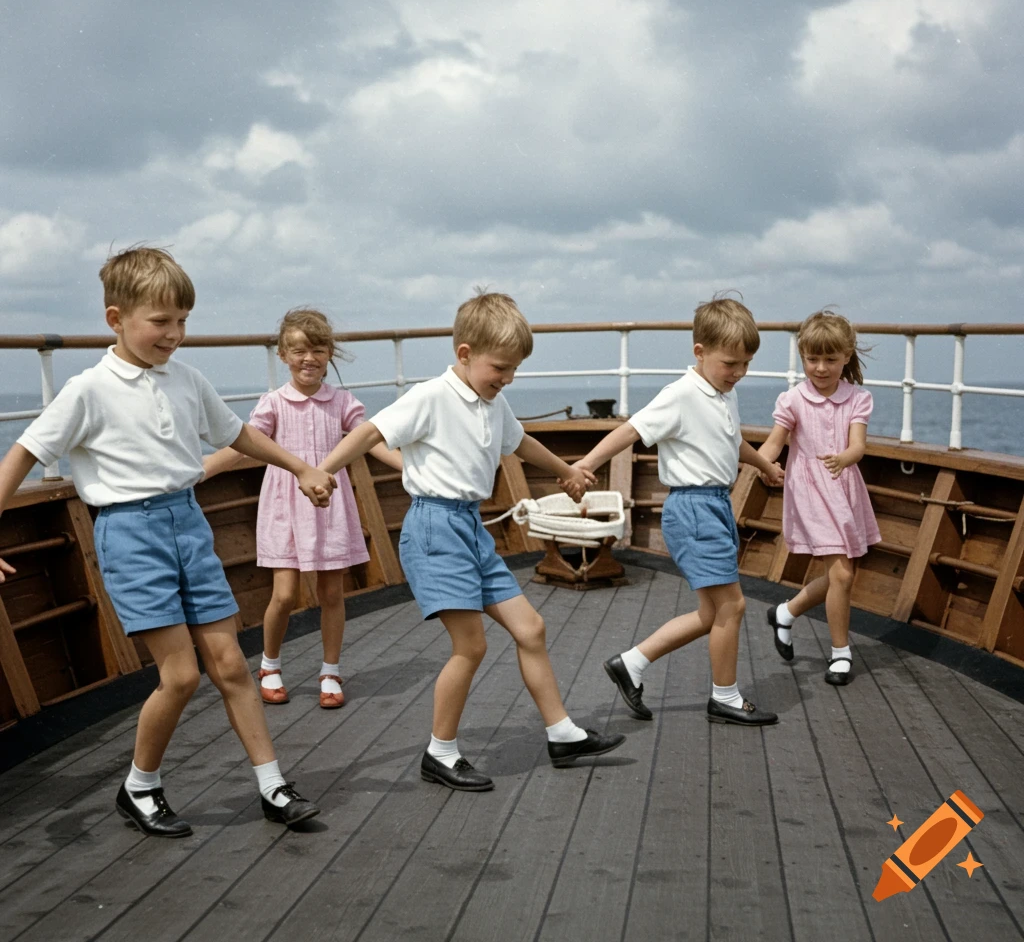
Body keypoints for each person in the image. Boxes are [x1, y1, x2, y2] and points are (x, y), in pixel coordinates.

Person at [0, 247, 331, 837]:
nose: (174, 334)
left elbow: (239, 435)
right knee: (180, 676)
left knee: (231, 662)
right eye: (160, 321)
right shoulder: (88, 390)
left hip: (188, 522)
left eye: (182, 321)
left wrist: (299, 467)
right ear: (115, 318)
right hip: (130, 532)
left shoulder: (187, 379)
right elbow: (24, 453)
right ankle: (140, 786)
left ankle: (272, 785)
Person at [315, 291, 626, 791]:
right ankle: (440, 753)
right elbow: (370, 433)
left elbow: (520, 442)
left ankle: (563, 733)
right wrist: (323, 471)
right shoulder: (431, 396)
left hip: (470, 529)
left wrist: (567, 470)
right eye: (499, 368)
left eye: (513, 370)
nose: (506, 379)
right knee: (471, 645)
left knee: (531, 629)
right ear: (464, 354)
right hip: (435, 529)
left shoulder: (492, 402)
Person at [571, 295, 785, 726]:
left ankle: (631, 663)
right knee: (732, 607)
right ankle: (724, 697)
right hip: (693, 508)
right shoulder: (682, 394)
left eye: (746, 364)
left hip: (715, 506)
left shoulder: (723, 393)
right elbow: (632, 429)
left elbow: (730, 440)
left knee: (713, 612)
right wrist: (585, 464)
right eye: (730, 363)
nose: (739, 373)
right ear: (700, 353)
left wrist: (763, 464)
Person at [203, 307, 402, 709]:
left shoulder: (343, 402)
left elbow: (371, 441)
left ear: (330, 353)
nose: (307, 358)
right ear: (282, 355)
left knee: (332, 592)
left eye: (317, 349)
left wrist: (412, 469)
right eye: (297, 351)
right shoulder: (273, 403)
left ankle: (330, 670)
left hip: (330, 504)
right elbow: (245, 444)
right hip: (284, 506)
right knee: (284, 594)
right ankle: (270, 664)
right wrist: (201, 470)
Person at [758, 310, 880, 686]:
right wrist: (761, 464)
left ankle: (786, 612)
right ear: (802, 357)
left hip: (843, 487)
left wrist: (844, 457)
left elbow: (857, 446)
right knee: (842, 572)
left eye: (830, 359)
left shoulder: (857, 398)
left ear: (846, 355)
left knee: (842, 574)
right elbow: (775, 442)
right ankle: (841, 654)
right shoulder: (793, 399)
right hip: (810, 492)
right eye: (813, 359)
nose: (821, 368)